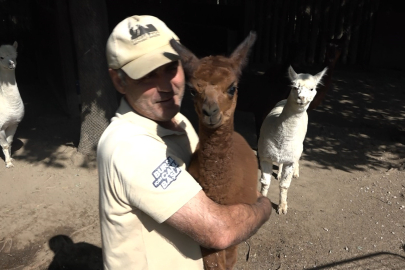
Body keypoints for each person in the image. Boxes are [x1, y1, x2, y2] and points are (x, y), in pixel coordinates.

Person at [97, 15, 272, 270]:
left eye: (170, 69)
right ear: (119, 81)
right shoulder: (128, 146)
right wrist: (263, 206)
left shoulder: (179, 123)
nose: (166, 86)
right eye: (147, 75)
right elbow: (219, 230)